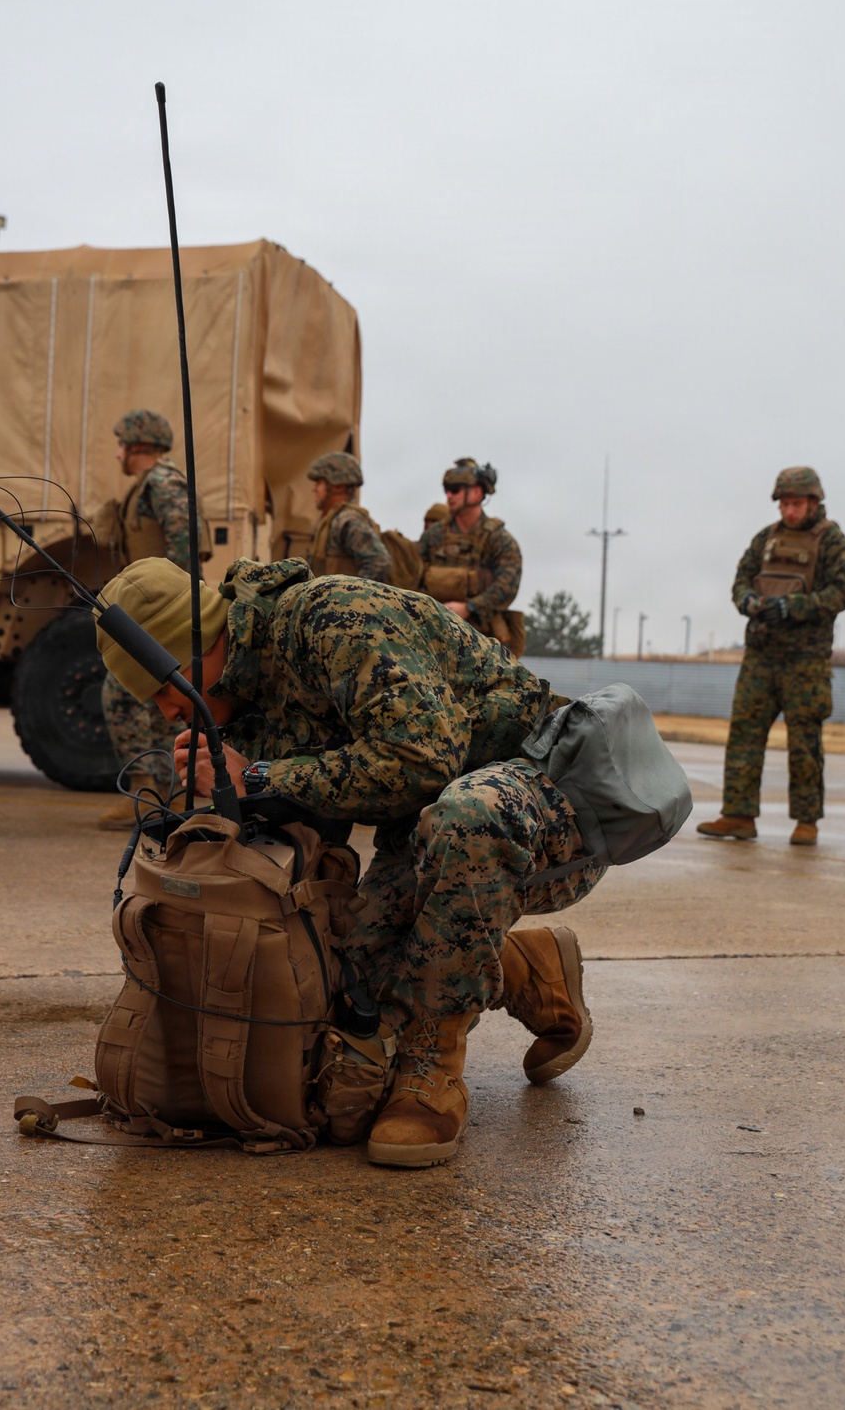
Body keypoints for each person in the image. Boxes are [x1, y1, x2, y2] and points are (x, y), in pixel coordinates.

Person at [95, 555, 605, 1168]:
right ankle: (529, 967)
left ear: (197, 646)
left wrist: (255, 774)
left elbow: (424, 761)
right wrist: (230, 797)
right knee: (336, 1004)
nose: (167, 713)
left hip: (549, 803)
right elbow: (312, 828)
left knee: (467, 815)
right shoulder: (242, 694)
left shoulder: (333, 617)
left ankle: (432, 1066)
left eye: (163, 691)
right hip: (423, 836)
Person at [698, 467, 845, 846]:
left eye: (796, 503)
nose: (789, 511)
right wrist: (748, 601)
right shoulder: (766, 539)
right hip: (761, 655)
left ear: (814, 502)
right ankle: (738, 815)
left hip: (806, 661)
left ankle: (806, 822)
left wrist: (792, 607)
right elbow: (740, 579)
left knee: (805, 741)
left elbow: (841, 593)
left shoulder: (833, 542)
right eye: (784, 503)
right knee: (744, 735)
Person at [93, 409, 206, 829]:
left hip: (162, 612)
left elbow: (184, 547)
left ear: (138, 446)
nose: (118, 453)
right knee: (160, 699)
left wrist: (168, 607)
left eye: (122, 443)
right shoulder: (149, 486)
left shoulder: (163, 483)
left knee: (124, 691)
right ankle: (168, 794)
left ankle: (150, 790)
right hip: (152, 610)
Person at [418, 458, 525, 656]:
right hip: (434, 636)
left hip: (483, 640)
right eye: (447, 489)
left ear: (477, 492)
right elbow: (415, 575)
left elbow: (507, 585)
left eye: (456, 489)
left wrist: (469, 608)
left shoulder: (498, 539)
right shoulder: (434, 536)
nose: (449, 495)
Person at [305, 452, 391, 582]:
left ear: (338, 486)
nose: (314, 489)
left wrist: (353, 597)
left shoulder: (347, 520)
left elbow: (379, 562)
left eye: (319, 482)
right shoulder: (332, 520)